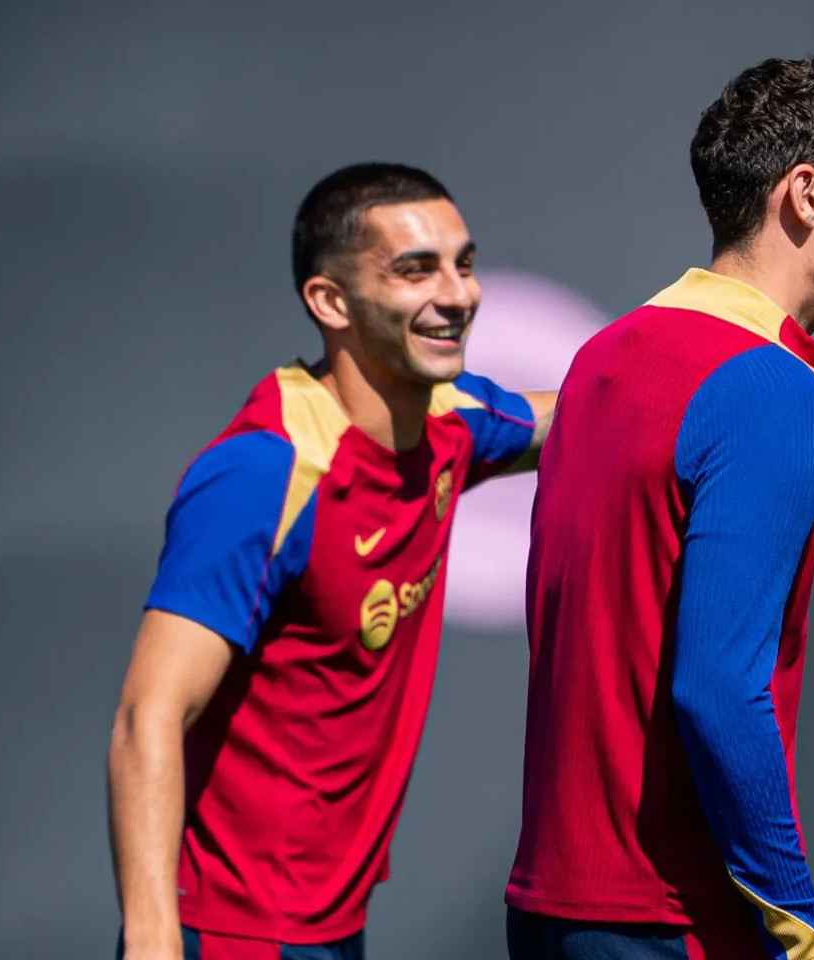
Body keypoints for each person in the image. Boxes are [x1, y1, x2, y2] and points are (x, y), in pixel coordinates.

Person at [506, 57, 814, 960]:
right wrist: (798, 923)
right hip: (676, 921)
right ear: (807, 194)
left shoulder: (602, 357)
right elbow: (719, 688)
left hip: (549, 913)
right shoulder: (773, 387)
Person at [107, 163, 554, 960]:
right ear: (331, 303)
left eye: (464, 262)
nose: (457, 294)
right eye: (416, 270)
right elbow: (150, 719)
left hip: (331, 929)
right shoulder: (264, 473)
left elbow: (593, 407)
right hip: (233, 934)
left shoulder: (456, 421)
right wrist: (152, 941)